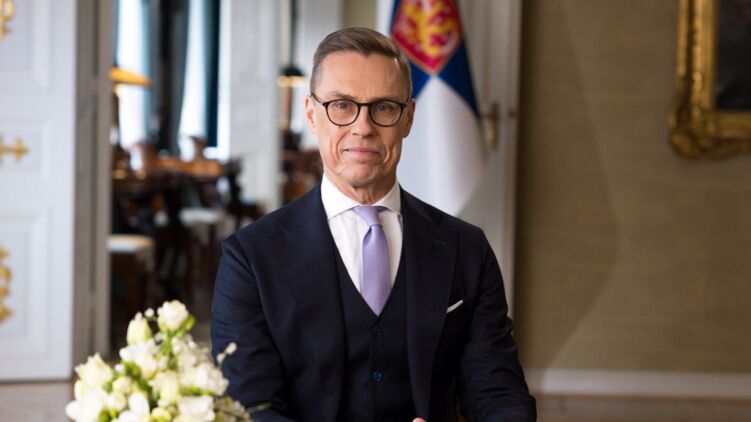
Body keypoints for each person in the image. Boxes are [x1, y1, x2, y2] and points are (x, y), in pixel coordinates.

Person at [211, 27, 536, 422]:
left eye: (383, 107)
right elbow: (250, 408)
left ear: (408, 118)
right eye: (342, 105)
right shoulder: (249, 257)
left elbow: (499, 391)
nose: (363, 127)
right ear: (312, 114)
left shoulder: (467, 249)